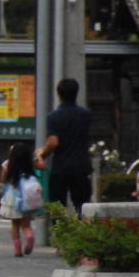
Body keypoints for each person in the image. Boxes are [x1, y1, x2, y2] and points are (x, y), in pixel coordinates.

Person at [35, 78, 93, 215]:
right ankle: (82, 234)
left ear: (58, 94)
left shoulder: (54, 116)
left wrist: (42, 154)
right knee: (82, 207)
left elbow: (53, 142)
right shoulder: (86, 114)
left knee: (58, 208)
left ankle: (61, 234)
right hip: (81, 165)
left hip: (60, 167)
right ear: (76, 93)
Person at [0, 143, 41, 256]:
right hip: (26, 199)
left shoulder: (7, 164)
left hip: (12, 199)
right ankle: (30, 236)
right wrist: (38, 156)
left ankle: (17, 249)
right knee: (26, 225)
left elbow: (3, 180)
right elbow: (42, 165)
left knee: (15, 224)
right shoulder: (29, 165)